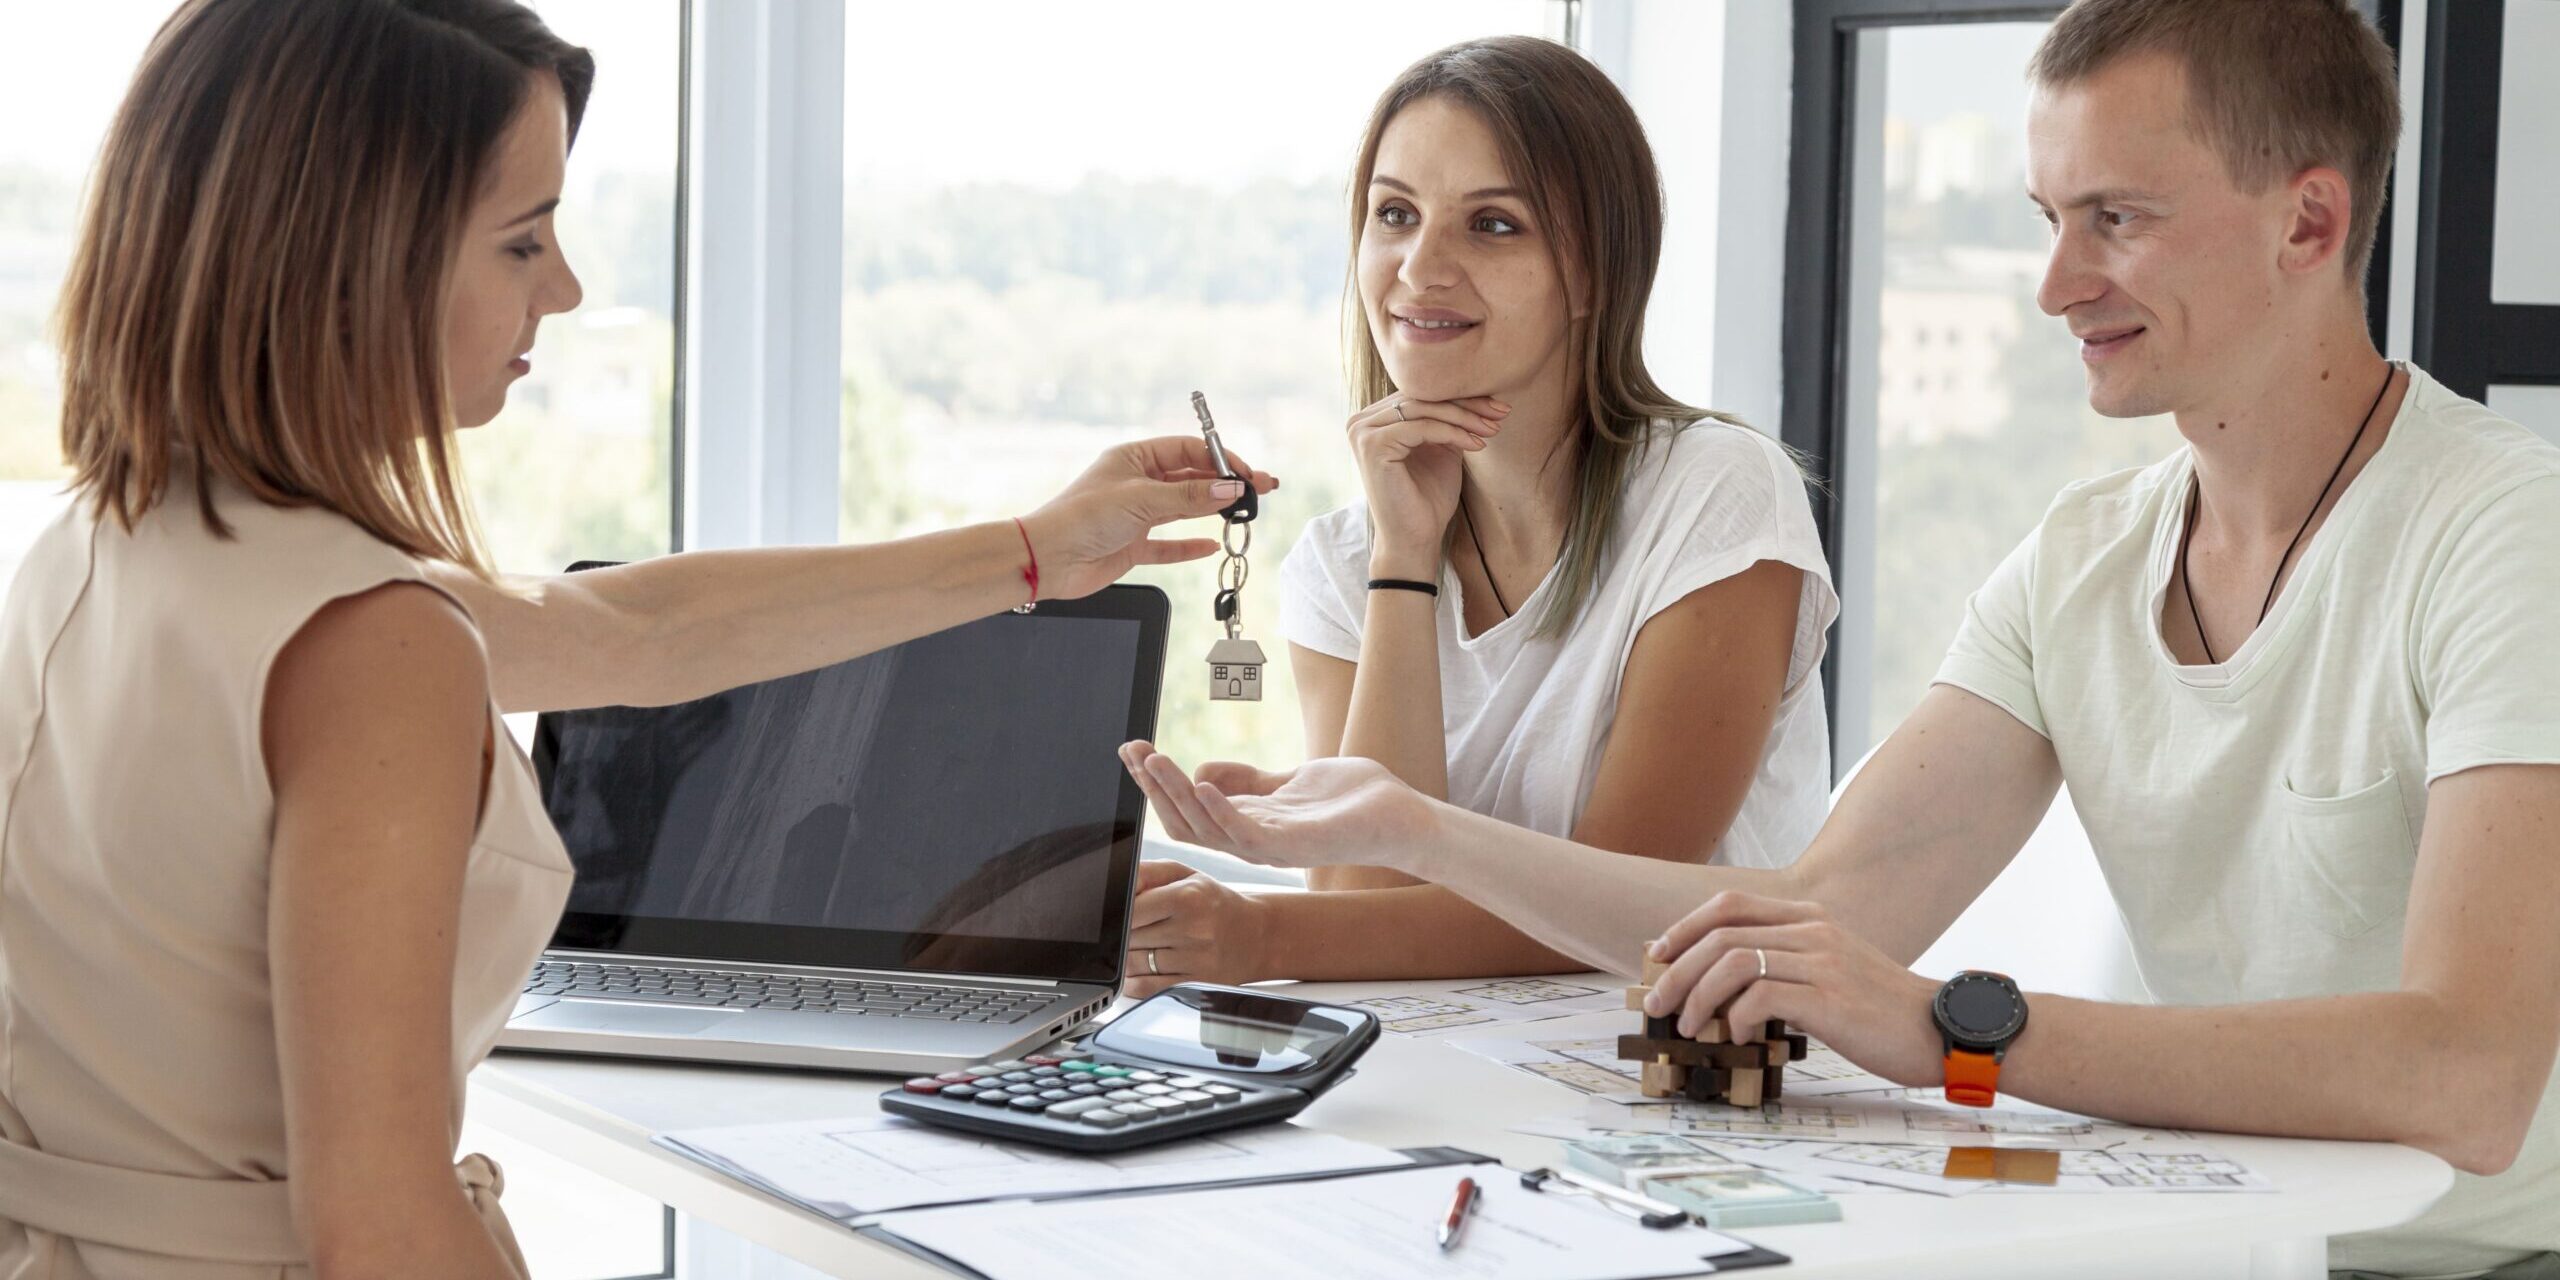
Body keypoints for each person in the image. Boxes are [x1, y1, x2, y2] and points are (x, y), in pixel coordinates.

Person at [1122, 1, 2560, 1273]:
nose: (2056, 283)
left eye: (2115, 219)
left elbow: (2468, 1078)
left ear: (2308, 224)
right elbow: (1819, 916)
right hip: (2208, 1237)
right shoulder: (2081, 558)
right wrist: (1415, 829)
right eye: (2048, 219)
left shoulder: (2507, 533)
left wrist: (1950, 1025)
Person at [0, 1, 1272, 1275]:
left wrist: (1037, 548)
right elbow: (378, 1226)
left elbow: (623, 628)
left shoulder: (111, 542)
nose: (563, 288)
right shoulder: (371, 643)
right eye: (522, 240)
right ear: (348, 259)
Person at [1115, 36, 1836, 997]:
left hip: (1679, 1060)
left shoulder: (1716, 496)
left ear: (1597, 271)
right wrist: (1405, 559)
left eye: (1493, 225)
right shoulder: (1344, 559)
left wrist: (1260, 937)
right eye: (1395, 215)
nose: (1420, 269)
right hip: (1437, 1065)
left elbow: (1628, 908)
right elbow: (1366, 893)